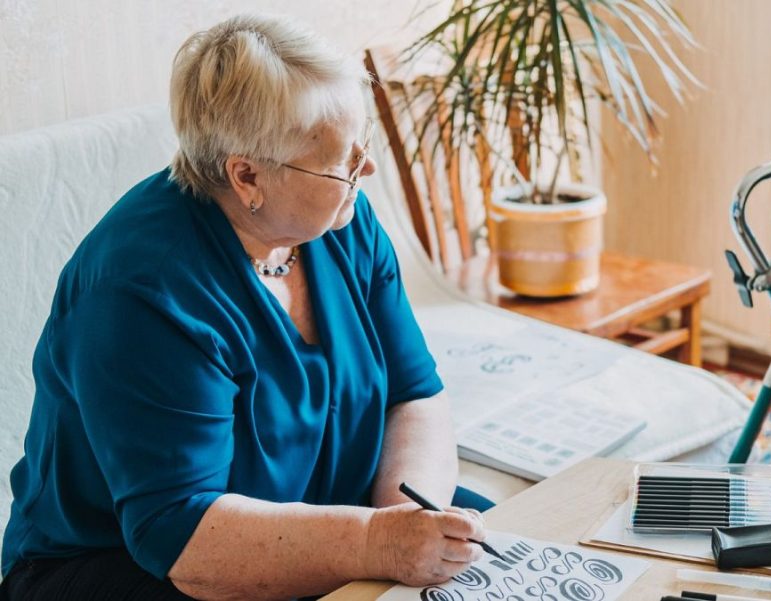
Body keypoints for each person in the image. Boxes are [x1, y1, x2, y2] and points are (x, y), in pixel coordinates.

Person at [0, 13, 490, 601]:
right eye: (342, 161)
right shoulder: (143, 291)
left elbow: (414, 394)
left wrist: (410, 527)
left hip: (328, 516)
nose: (367, 169)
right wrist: (377, 546)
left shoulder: (337, 220)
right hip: (137, 563)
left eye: (364, 147)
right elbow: (183, 538)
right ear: (248, 176)